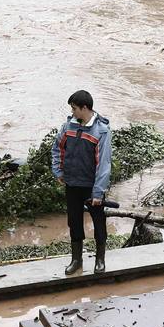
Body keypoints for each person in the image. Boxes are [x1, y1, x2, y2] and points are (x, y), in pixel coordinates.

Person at [50, 90, 113, 275]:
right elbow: (57, 148)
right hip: (72, 184)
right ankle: (76, 260)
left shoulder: (101, 131)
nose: (72, 112)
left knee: (98, 222)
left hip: (92, 187)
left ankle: (100, 260)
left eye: (74, 108)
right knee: (74, 222)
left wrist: (98, 192)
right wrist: (58, 171)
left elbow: (104, 164)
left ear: (85, 108)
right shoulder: (68, 126)